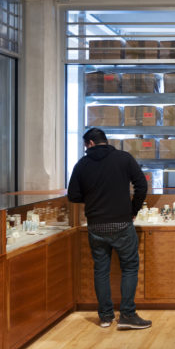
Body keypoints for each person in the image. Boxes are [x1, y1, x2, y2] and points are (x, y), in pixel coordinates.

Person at [67, 128, 151, 330]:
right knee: (130, 267)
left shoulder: (82, 164)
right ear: (104, 141)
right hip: (122, 223)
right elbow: (142, 185)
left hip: (96, 225)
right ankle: (127, 315)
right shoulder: (123, 158)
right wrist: (133, 209)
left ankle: (105, 317)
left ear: (90, 144)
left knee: (101, 270)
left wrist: (92, 198)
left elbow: (73, 196)